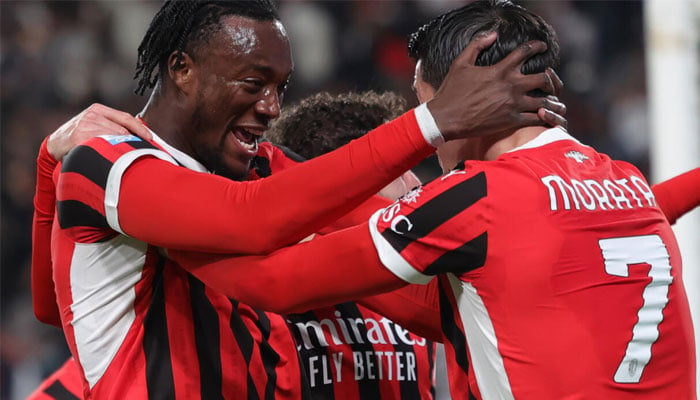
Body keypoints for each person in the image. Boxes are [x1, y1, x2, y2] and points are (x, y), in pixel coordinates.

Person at [32, 0, 568, 398]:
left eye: (281, 87)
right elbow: (251, 222)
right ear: (182, 69)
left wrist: (557, 198)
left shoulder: (265, 164)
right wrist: (431, 123)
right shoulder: (104, 163)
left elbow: (396, 248)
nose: (270, 106)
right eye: (252, 82)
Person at [164, 1, 697, 398]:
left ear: (467, 102)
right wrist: (274, 166)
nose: (435, 145)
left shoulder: (476, 200)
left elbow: (277, 282)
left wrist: (165, 216)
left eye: (428, 107)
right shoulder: (625, 184)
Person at [267, 91, 434, 399]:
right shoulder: (265, 286)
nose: (416, 184)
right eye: (399, 170)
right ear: (347, 182)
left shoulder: (423, 288)